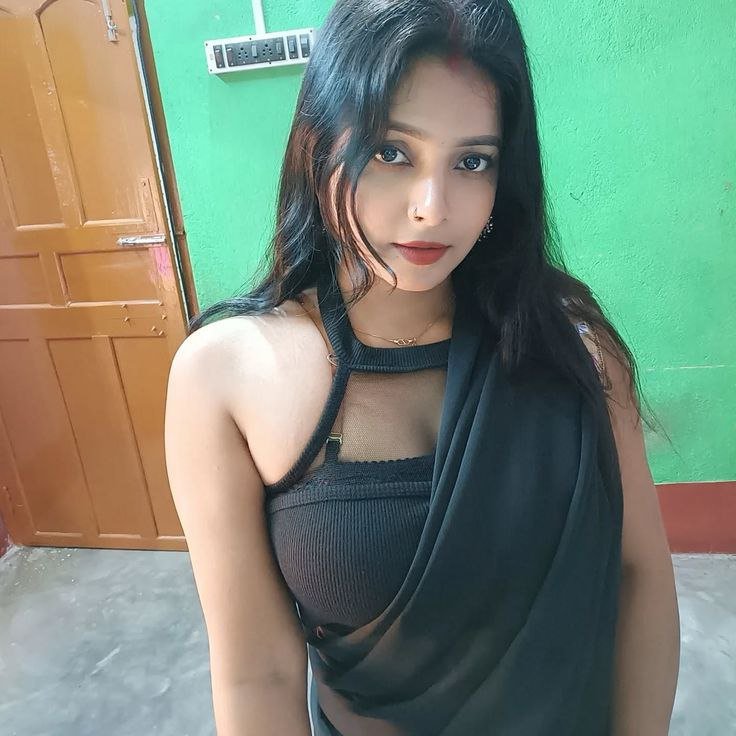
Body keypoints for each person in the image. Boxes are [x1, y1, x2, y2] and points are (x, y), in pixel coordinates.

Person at [164, 1, 680, 734]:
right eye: (391, 152)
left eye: (472, 162)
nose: (432, 209)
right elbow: (258, 673)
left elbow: (639, 577)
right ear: (318, 144)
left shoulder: (572, 350)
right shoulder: (227, 375)